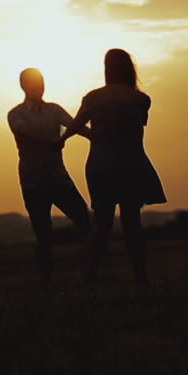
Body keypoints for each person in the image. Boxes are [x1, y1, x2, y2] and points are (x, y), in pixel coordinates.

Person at [60, 49, 166, 284]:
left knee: (101, 226)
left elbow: (75, 126)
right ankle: (140, 279)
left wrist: (59, 141)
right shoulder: (141, 99)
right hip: (131, 164)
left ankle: (89, 278)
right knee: (132, 225)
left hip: (100, 165)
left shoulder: (93, 98)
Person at [7, 67, 92, 284]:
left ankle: (89, 272)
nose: (40, 87)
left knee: (86, 222)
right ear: (23, 86)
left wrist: (98, 135)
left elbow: (77, 127)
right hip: (33, 180)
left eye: (42, 82)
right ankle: (46, 281)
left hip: (58, 177)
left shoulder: (55, 110)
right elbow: (27, 134)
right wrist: (54, 142)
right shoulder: (15, 114)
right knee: (43, 234)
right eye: (36, 83)